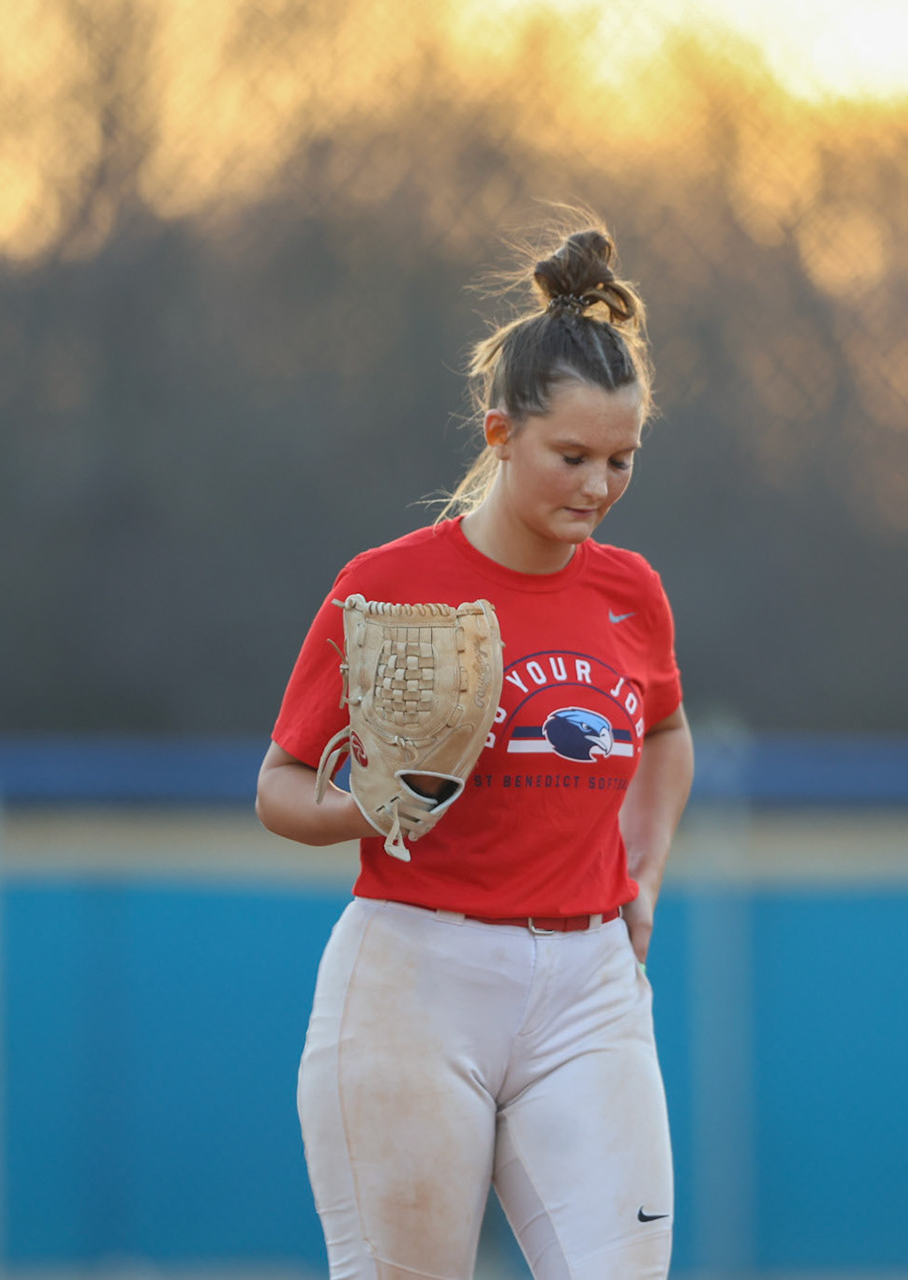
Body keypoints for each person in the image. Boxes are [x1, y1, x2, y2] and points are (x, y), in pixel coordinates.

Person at [255, 223, 694, 1279]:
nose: (598, 485)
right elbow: (277, 786)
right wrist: (377, 803)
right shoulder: (393, 582)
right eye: (572, 456)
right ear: (500, 432)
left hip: (589, 977)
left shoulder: (629, 592)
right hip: (418, 967)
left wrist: (645, 875)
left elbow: (667, 734)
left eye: (621, 460)